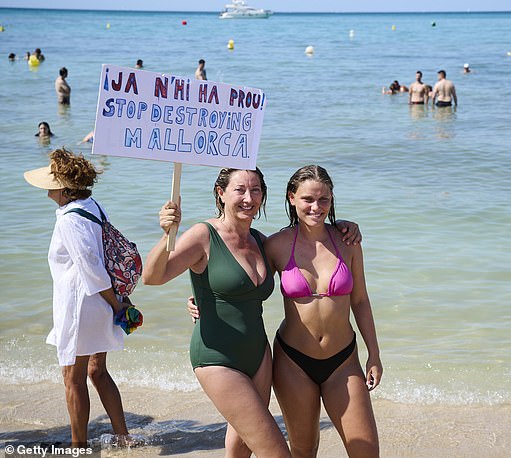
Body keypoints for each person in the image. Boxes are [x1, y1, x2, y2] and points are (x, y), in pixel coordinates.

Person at [147, 168, 360, 456]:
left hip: (259, 357)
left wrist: (343, 225)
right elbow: (153, 277)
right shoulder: (203, 234)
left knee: (240, 450)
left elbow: (305, 257)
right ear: (221, 193)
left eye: (256, 190)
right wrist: (166, 237)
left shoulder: (262, 242)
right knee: (277, 452)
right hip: (218, 357)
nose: (249, 198)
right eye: (240, 190)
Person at [266, 165, 381, 457]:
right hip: (293, 361)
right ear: (292, 198)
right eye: (308, 199)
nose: (316, 207)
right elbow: (245, 287)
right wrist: (203, 299)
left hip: (343, 360)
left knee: (366, 451)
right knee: (304, 450)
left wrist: (374, 354)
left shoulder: (348, 241)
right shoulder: (276, 245)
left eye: (324, 200)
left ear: (331, 200)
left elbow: (361, 301)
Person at [23, 148, 132, 448]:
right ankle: (123, 436)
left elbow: (92, 268)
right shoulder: (92, 206)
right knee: (97, 370)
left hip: (82, 305)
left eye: (52, 183)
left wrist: (116, 304)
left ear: (64, 189)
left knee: (73, 377)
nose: (47, 189)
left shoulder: (68, 220)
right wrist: (118, 301)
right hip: (98, 303)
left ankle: (78, 447)